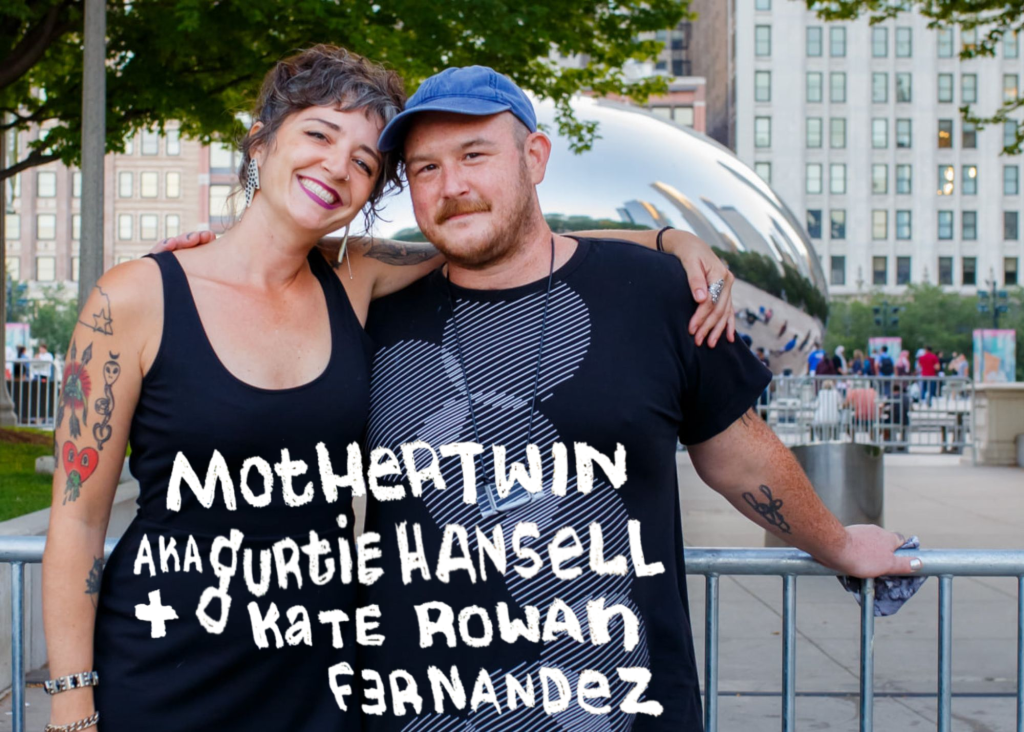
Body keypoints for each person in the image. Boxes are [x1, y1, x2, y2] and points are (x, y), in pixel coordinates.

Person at [71, 50, 737, 732]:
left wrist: (666, 238)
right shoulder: (133, 298)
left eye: (364, 162)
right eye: (319, 135)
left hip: (318, 676)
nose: (337, 167)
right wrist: (71, 702)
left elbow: (506, 234)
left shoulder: (355, 279)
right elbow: (80, 519)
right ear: (262, 139)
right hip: (165, 664)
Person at [353, 66, 918, 731]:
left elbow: (739, 457)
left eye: (475, 155)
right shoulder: (370, 309)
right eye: (425, 169)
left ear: (534, 158)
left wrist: (842, 546)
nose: (453, 186)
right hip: (421, 710)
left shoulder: (656, 293)